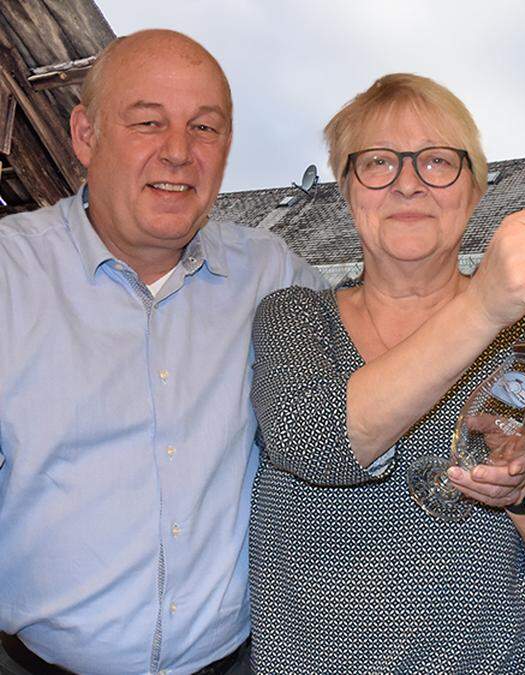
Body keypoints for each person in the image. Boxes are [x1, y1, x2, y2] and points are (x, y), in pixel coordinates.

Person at [248, 73, 525, 672]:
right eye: (379, 163)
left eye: (438, 161)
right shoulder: (295, 316)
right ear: (347, 190)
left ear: (474, 190)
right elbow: (314, 440)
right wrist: (485, 305)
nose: (408, 184)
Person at [0, 30, 326, 674]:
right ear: (86, 136)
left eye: (205, 128)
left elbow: (369, 396)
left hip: (233, 660)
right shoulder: (10, 274)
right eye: (148, 122)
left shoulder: (275, 277)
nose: (179, 152)